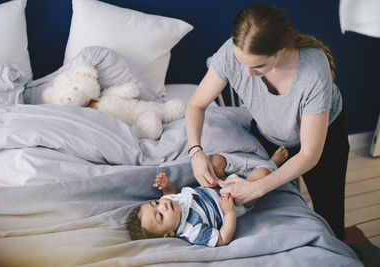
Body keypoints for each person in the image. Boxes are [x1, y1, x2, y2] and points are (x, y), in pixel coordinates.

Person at [185, 4, 349, 241]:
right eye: (243, 64)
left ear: (281, 49)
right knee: (282, 204)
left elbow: (309, 154)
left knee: (330, 212)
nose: (248, 75)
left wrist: (257, 187)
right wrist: (195, 152)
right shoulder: (231, 53)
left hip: (322, 141)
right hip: (270, 132)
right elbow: (196, 105)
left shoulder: (313, 71)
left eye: (258, 66)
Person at [126, 149, 288, 247]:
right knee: (261, 175)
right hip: (236, 201)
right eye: (160, 216)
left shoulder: (172, 203)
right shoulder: (192, 231)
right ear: (169, 234)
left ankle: (245, 169)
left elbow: (172, 194)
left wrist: (167, 186)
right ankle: (272, 163)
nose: (163, 206)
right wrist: (229, 212)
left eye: (156, 203)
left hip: (216, 185)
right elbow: (223, 239)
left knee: (215, 161)